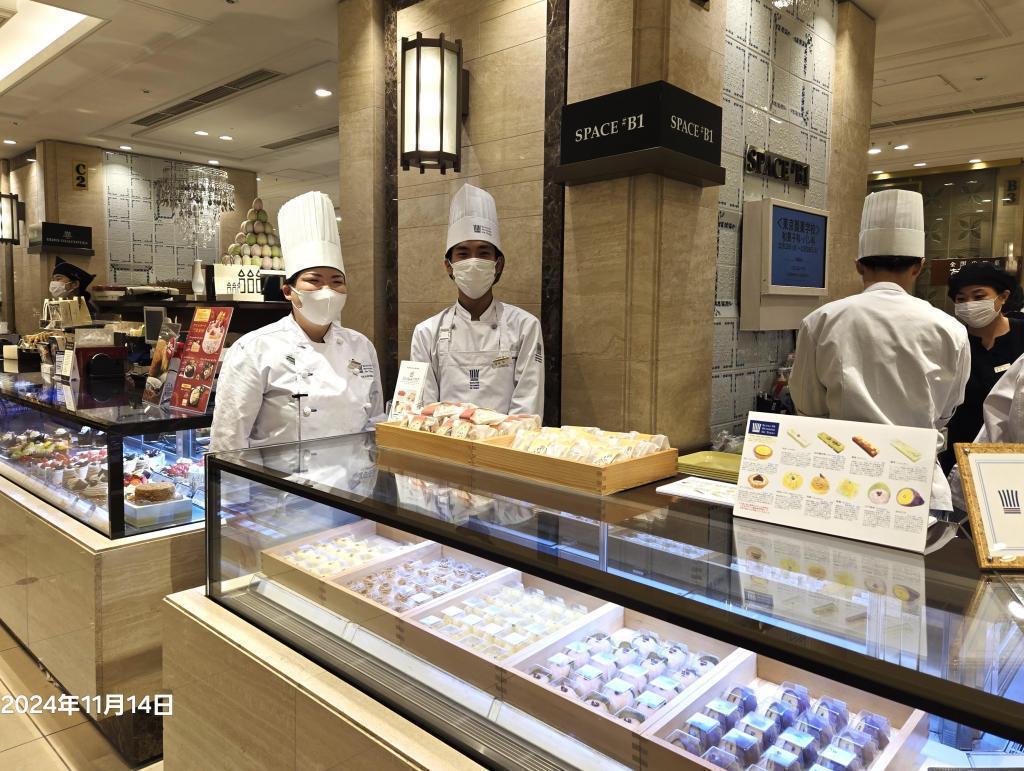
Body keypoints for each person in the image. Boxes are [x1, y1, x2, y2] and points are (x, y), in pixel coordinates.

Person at [789, 189, 970, 514]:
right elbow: (946, 410)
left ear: (859, 266)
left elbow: (808, 407)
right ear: (919, 267)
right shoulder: (950, 329)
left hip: (843, 481)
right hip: (918, 485)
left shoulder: (821, 320)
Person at [209, 191, 384, 453]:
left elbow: (375, 423)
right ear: (289, 291)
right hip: (283, 491)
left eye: (337, 281)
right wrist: (242, 494)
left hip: (354, 489)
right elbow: (229, 442)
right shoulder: (253, 350)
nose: (328, 290)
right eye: (314, 280)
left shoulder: (361, 346)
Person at [410, 183, 544, 416]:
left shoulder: (525, 326)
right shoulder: (426, 332)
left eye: (483, 253)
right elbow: (425, 408)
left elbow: (527, 404)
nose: (473, 261)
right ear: (449, 266)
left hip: (505, 446)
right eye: (463, 253)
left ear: (498, 263)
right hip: (446, 446)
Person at [938, 261, 1024, 474]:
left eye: (978, 297)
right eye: (961, 299)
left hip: (1011, 453)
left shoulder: (1021, 335)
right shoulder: (952, 342)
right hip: (958, 452)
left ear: (1003, 296)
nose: (969, 304)